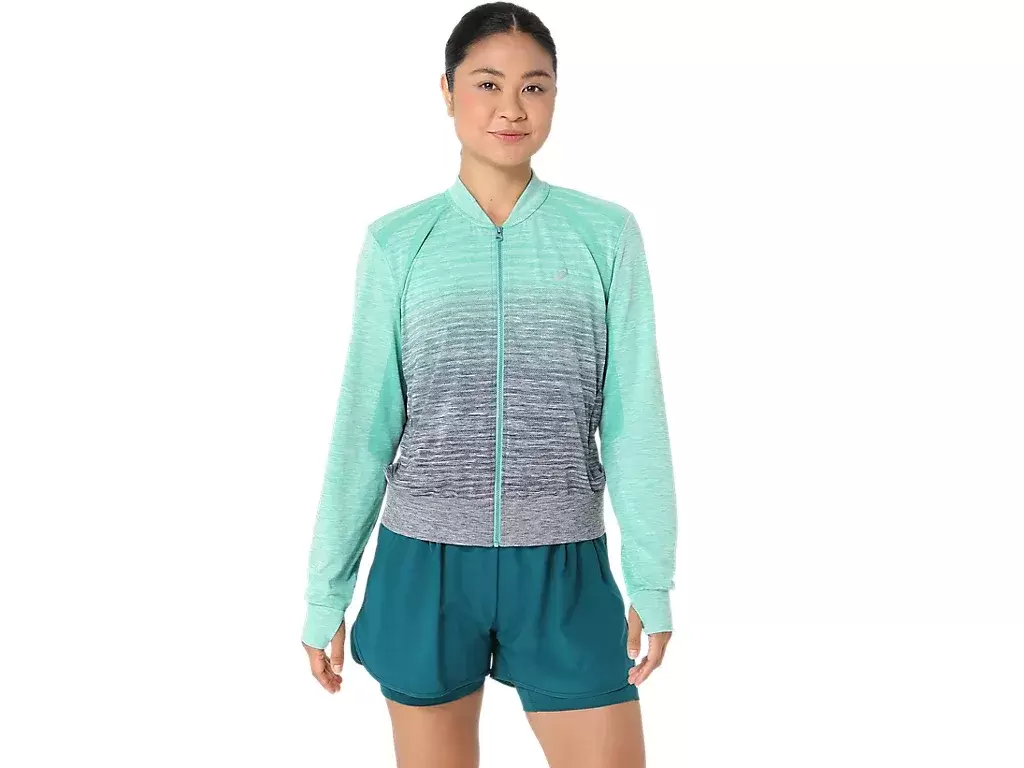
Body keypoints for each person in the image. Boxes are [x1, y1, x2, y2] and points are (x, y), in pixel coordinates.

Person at [300, 3, 678, 766]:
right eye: (487, 83)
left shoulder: (605, 235)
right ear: (446, 91)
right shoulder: (398, 243)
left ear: (556, 97)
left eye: (535, 87)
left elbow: (633, 416)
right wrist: (325, 592)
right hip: (424, 565)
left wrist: (651, 575)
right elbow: (364, 427)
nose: (512, 108)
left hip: (564, 563)